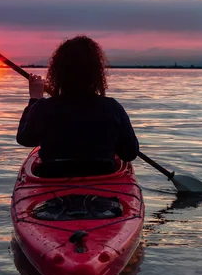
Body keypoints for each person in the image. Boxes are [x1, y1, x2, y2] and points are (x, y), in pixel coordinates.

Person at [16, 36, 139, 177]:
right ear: (96, 73)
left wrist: (35, 99)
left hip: (53, 180)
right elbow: (129, 153)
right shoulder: (112, 108)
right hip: (102, 182)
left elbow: (25, 139)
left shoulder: (43, 107)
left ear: (58, 71)